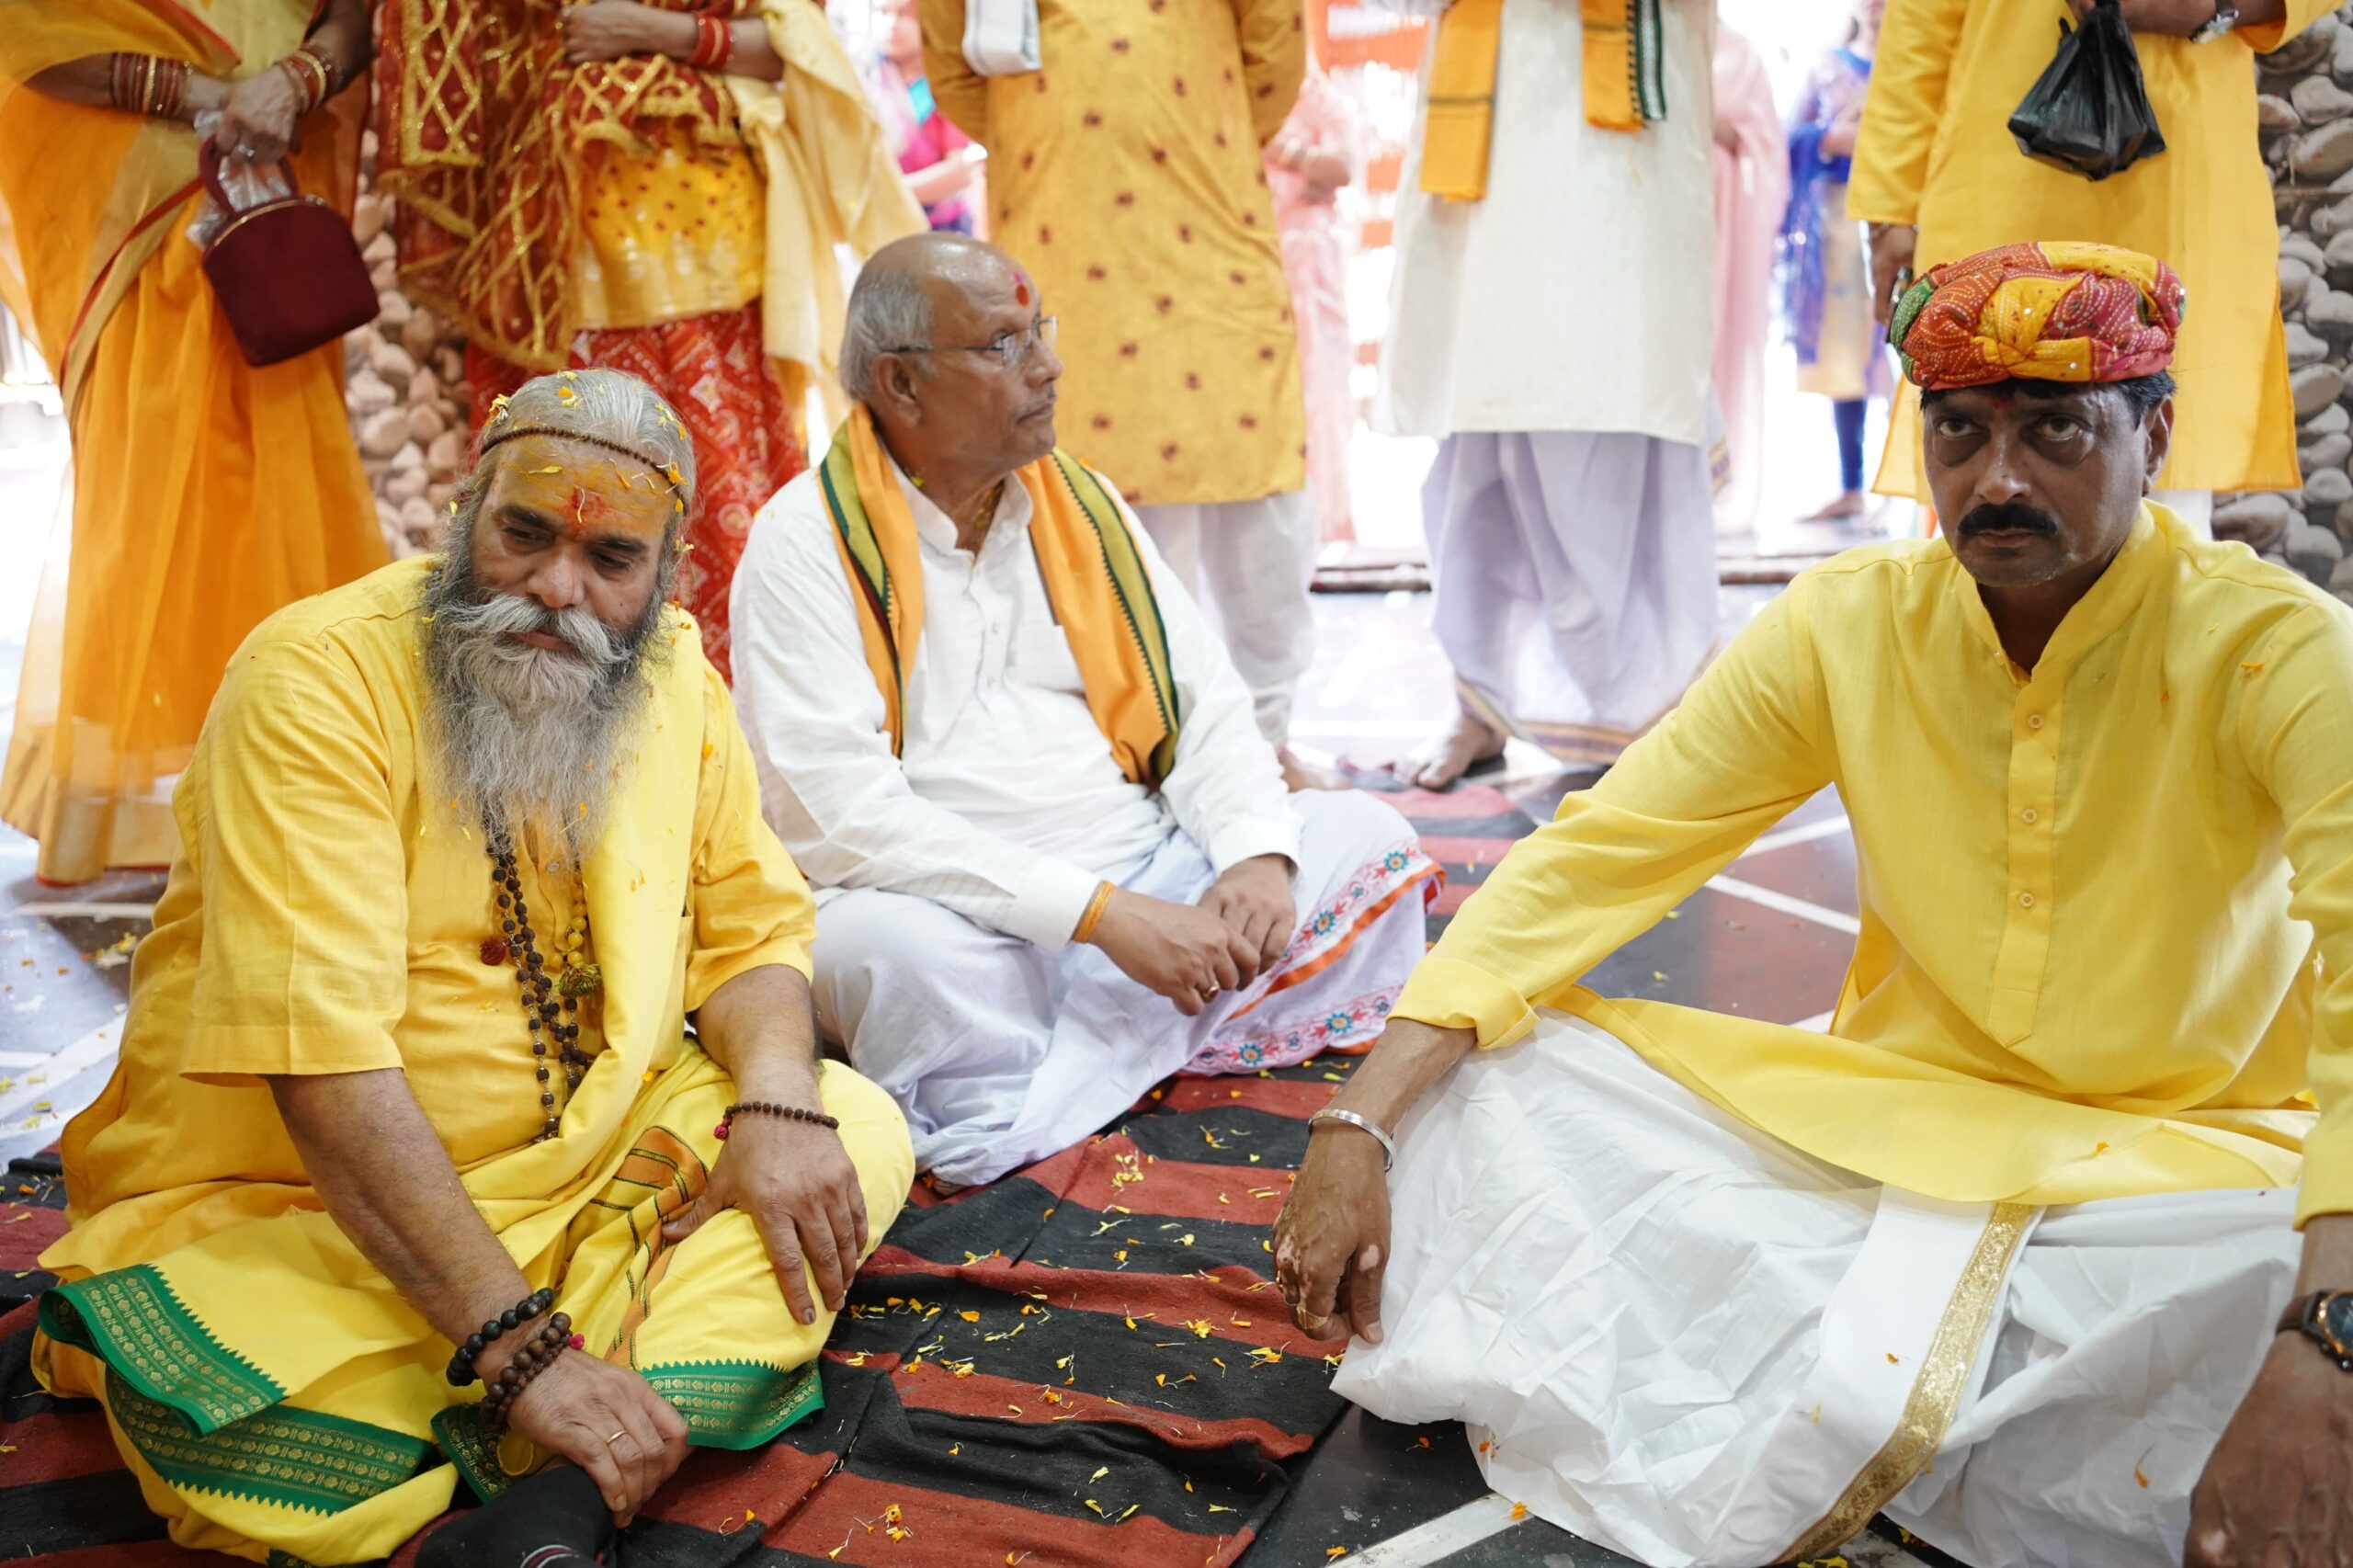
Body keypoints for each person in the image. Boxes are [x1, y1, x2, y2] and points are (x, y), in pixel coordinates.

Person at [1273, 244, 2353, 1568]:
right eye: (1958, 431)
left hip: (2185, 1174)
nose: (1997, 479)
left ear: (2156, 435)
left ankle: (1902, 1388)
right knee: (1487, 1088)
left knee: (2281, 1277)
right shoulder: (1848, 624)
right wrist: (1358, 1119)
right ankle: (1996, 1419)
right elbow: (1605, 849)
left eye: (2055, 430)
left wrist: (2326, 1330)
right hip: (1886, 1137)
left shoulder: (2278, 647)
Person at [30, 369, 915, 1568]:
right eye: (526, 532)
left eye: (611, 557)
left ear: (666, 573)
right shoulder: (316, 679)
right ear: (466, 512)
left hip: (605, 1159)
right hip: (315, 1207)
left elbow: (749, 932)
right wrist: (523, 1349)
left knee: (846, 1127)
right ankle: (606, 1409)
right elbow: (323, 1062)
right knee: (242, 1440)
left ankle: (563, 1492)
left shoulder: (675, 681)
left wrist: (771, 1104)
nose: (558, 587)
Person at [730, 233, 1437, 1189]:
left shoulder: (1082, 502)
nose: (1048, 366)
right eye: (1003, 344)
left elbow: (1202, 700)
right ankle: (1161, 1031)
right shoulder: (801, 544)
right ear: (900, 384)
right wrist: (1101, 919)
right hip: (963, 918)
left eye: (1039, 333)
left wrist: (1253, 855)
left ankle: (1055, 1076)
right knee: (877, 955)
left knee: (1363, 833)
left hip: (1149, 867)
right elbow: (839, 817)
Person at [377, 0, 924, 681]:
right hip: (534, 247)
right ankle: (538, 706)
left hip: (700, 238)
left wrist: (664, 32)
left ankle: (720, 716)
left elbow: (796, 42)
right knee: (542, 514)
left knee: (722, 509)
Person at [0, 0, 388, 886]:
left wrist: (292, 83)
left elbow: (357, 14)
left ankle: (305, 767)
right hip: (131, 187)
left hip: (270, 177)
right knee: (150, 486)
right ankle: (164, 788)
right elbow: (29, 29)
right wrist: (210, 96)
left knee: (285, 478)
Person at [918, 0, 1331, 789]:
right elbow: (956, 62)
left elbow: (1272, 51)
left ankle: (1263, 741)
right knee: (1088, 489)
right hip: (1061, 217)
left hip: (1205, 208)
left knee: (1251, 484)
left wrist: (1176, 116)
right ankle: (1136, 742)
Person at [1383, 0, 1719, 789]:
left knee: (1618, 404)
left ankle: (1665, 707)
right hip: (1487, 133)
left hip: (1622, 152)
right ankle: (1478, 699)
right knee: (1482, 419)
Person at [1852, 0, 2333, 538]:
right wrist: (1889, 211)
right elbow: (1920, 25)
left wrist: (2215, 5)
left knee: (2162, 488)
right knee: (1983, 459)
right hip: (1996, 173)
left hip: (2176, 182)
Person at [1782, 0, 1889, 524]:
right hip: (1840, 226)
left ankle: (1909, 485)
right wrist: (1829, 139)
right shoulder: (1829, 66)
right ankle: (1852, 485)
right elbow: (1787, 135)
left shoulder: (1913, 63)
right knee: (1847, 357)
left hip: (1900, 215)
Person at [1268, 52, 1366, 550]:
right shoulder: (1242, 93)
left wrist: (1282, 149)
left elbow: (1341, 168)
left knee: (1320, 386)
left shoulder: (1322, 100)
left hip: (1308, 262)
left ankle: (1326, 523)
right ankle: (1279, 530)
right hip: (1254, 259)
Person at [1711, 22, 1790, 537]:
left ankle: (1717, 484)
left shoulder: (1740, 53)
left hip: (1722, 223)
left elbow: (1767, 149)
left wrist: (1710, 121)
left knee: (1719, 346)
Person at [867, 0, 986, 233]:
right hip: (884, 229)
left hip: (942, 228)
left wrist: (886, 194)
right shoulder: (867, 78)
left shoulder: (946, 85)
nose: (891, 24)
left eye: (904, 14)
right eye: (883, 13)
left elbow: (959, 171)